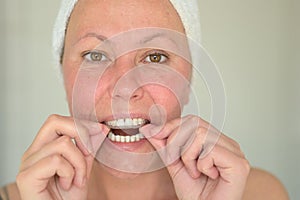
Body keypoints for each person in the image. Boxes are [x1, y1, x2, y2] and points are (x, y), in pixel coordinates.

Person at [0, 0, 289, 199]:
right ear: (64, 77)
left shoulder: (257, 194)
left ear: (188, 80)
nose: (124, 88)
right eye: (95, 55)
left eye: (155, 57)